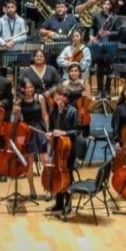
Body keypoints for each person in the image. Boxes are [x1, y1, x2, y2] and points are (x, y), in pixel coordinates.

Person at [46, 88, 79, 216]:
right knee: (57, 175)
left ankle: (68, 204)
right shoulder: (54, 110)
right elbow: (51, 128)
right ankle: (58, 203)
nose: (60, 99)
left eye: (63, 96)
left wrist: (63, 132)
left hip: (68, 149)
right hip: (57, 148)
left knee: (68, 176)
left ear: (67, 98)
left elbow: (76, 131)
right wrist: (50, 133)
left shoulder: (72, 111)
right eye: (58, 96)